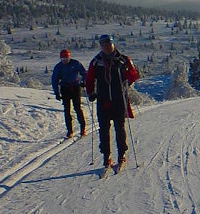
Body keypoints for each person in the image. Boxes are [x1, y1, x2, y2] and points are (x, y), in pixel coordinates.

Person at [85, 34, 139, 172]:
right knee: (103, 130)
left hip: (119, 99)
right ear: (101, 46)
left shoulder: (123, 60)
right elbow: (89, 78)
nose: (107, 47)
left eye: (109, 44)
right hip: (103, 100)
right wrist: (90, 92)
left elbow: (133, 76)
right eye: (104, 44)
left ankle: (121, 155)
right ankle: (106, 156)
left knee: (119, 128)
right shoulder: (96, 62)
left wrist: (125, 70)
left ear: (113, 44)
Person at [51, 49, 87, 138]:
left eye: (66, 58)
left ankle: (83, 129)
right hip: (65, 88)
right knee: (67, 110)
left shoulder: (75, 63)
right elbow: (54, 80)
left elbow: (84, 73)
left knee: (77, 108)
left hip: (75, 87)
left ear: (69, 57)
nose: (64, 60)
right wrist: (56, 92)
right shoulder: (58, 67)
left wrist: (84, 81)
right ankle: (69, 131)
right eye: (63, 58)